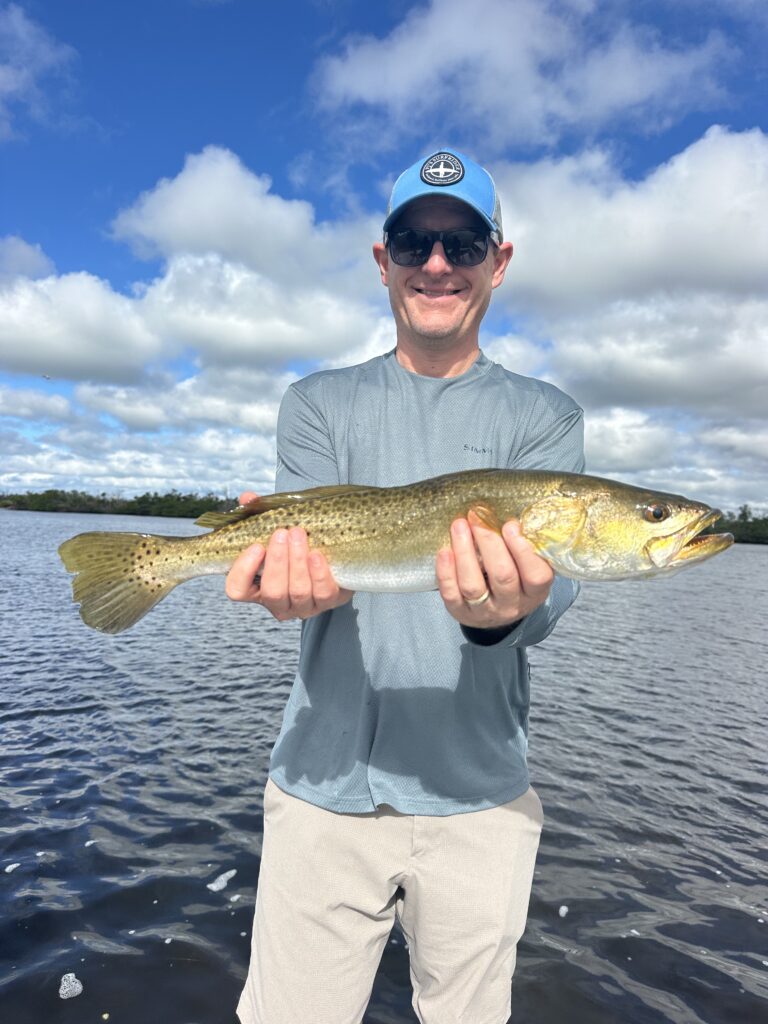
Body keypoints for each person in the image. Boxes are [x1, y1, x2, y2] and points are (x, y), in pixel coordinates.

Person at [229, 148, 584, 1024]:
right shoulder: (315, 402)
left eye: (462, 243)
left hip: (481, 795)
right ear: (381, 257)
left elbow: (555, 593)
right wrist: (297, 582)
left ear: (498, 261)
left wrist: (508, 618)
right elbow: (310, 574)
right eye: (413, 241)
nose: (437, 264)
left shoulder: (546, 417)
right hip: (320, 784)